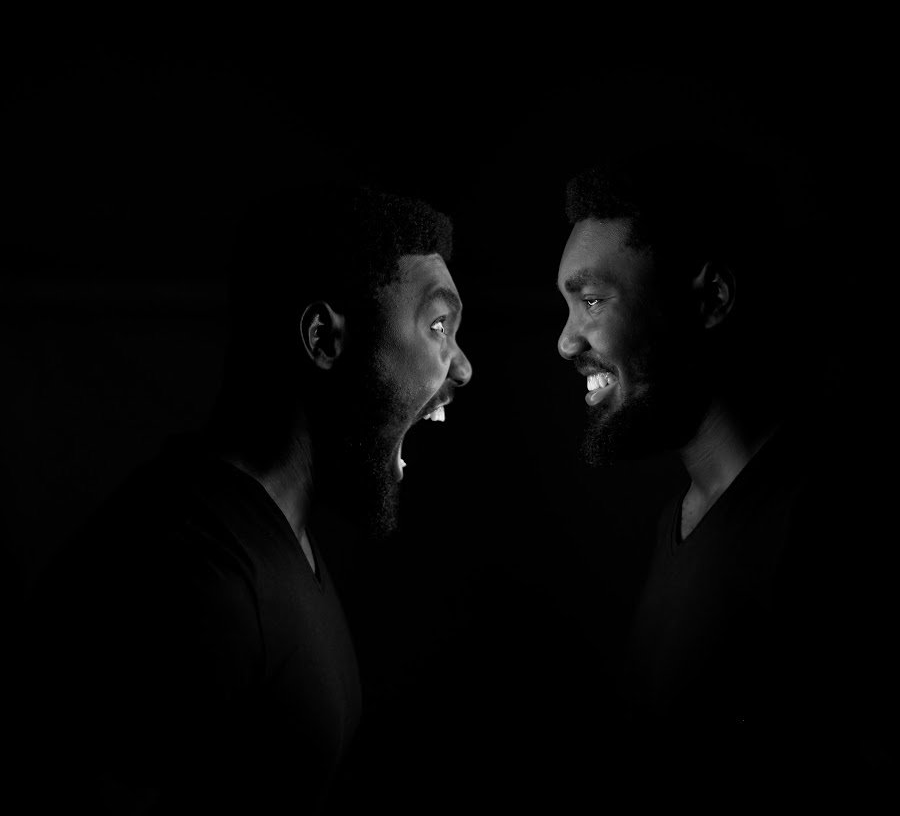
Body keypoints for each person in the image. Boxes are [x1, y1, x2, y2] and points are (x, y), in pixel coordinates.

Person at [22, 184, 472, 814]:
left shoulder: (276, 532)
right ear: (323, 338)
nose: (462, 368)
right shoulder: (187, 577)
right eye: (437, 326)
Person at [556, 144, 894, 803]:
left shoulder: (828, 523)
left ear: (712, 298)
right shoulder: (678, 523)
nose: (566, 340)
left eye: (592, 301)